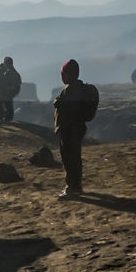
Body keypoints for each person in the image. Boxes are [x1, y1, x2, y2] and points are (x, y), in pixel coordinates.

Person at [53, 59, 92, 199]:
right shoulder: (80, 87)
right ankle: (77, 185)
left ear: (68, 74)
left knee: (69, 158)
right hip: (78, 128)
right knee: (75, 156)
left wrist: (58, 103)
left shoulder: (70, 90)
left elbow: (66, 109)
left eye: (63, 74)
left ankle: (71, 187)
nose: (62, 76)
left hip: (69, 129)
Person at [0, 57, 22, 122]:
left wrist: (8, 90)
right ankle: (6, 117)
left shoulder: (11, 72)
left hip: (9, 91)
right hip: (9, 91)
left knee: (5, 104)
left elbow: (15, 83)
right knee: (7, 104)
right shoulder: (10, 71)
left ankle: (5, 117)